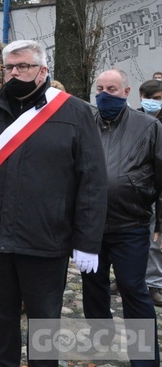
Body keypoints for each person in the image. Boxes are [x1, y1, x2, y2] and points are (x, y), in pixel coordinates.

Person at [0, 39, 108, 367]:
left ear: (42, 71)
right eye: (9, 67)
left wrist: (87, 241)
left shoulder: (76, 112)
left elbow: (92, 182)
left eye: (22, 66)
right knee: (0, 317)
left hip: (45, 240)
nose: (14, 73)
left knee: (44, 323)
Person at [81, 69, 162, 367]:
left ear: (126, 92)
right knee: (93, 285)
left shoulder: (148, 126)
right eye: (100, 88)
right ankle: (100, 337)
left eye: (112, 89)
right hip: (89, 225)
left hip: (131, 223)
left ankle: (144, 358)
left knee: (132, 287)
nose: (104, 94)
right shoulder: (84, 123)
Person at [139, 79, 162, 306]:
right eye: (148, 98)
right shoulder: (133, 120)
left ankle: (154, 283)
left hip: (159, 189)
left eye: (157, 99)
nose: (152, 103)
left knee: (156, 240)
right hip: (137, 188)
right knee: (131, 237)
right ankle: (130, 278)